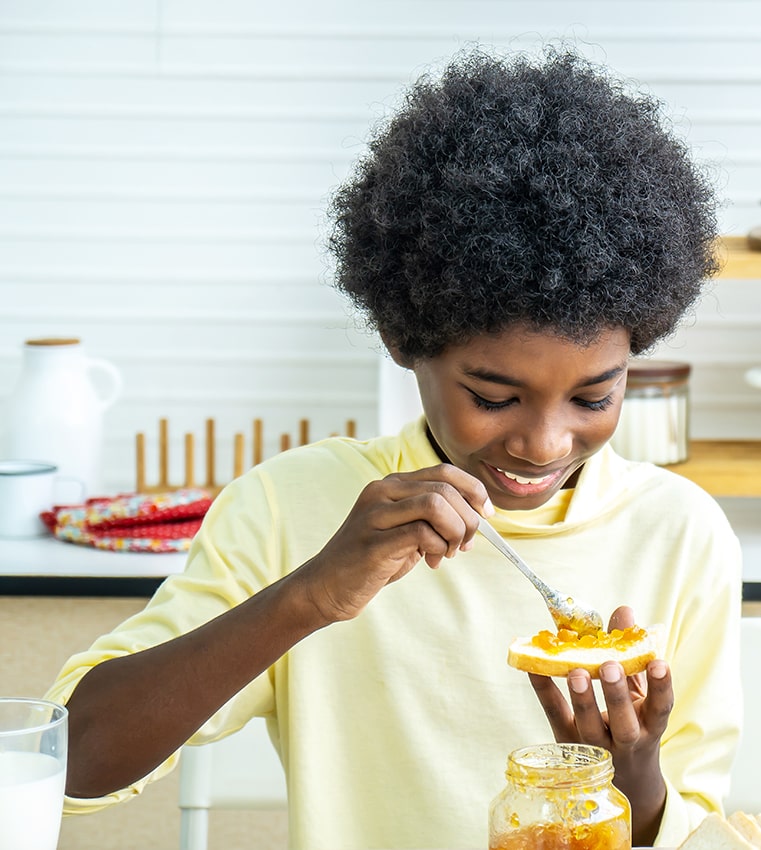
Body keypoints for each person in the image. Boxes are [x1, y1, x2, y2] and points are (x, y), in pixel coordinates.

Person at [46, 47, 742, 849]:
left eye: (594, 396)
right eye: (491, 397)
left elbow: (698, 829)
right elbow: (72, 762)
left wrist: (631, 780)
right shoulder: (292, 506)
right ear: (402, 338)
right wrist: (309, 595)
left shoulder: (679, 533)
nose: (544, 443)